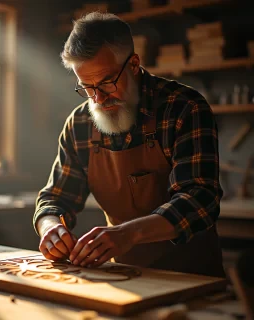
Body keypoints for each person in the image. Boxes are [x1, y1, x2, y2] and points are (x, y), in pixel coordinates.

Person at [33, 12, 225, 277]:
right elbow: (54, 198)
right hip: (124, 272)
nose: (98, 98)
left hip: (191, 274)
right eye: (86, 87)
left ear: (134, 64)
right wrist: (51, 227)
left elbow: (199, 200)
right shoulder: (79, 124)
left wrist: (128, 233)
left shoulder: (183, 109)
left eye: (107, 83)